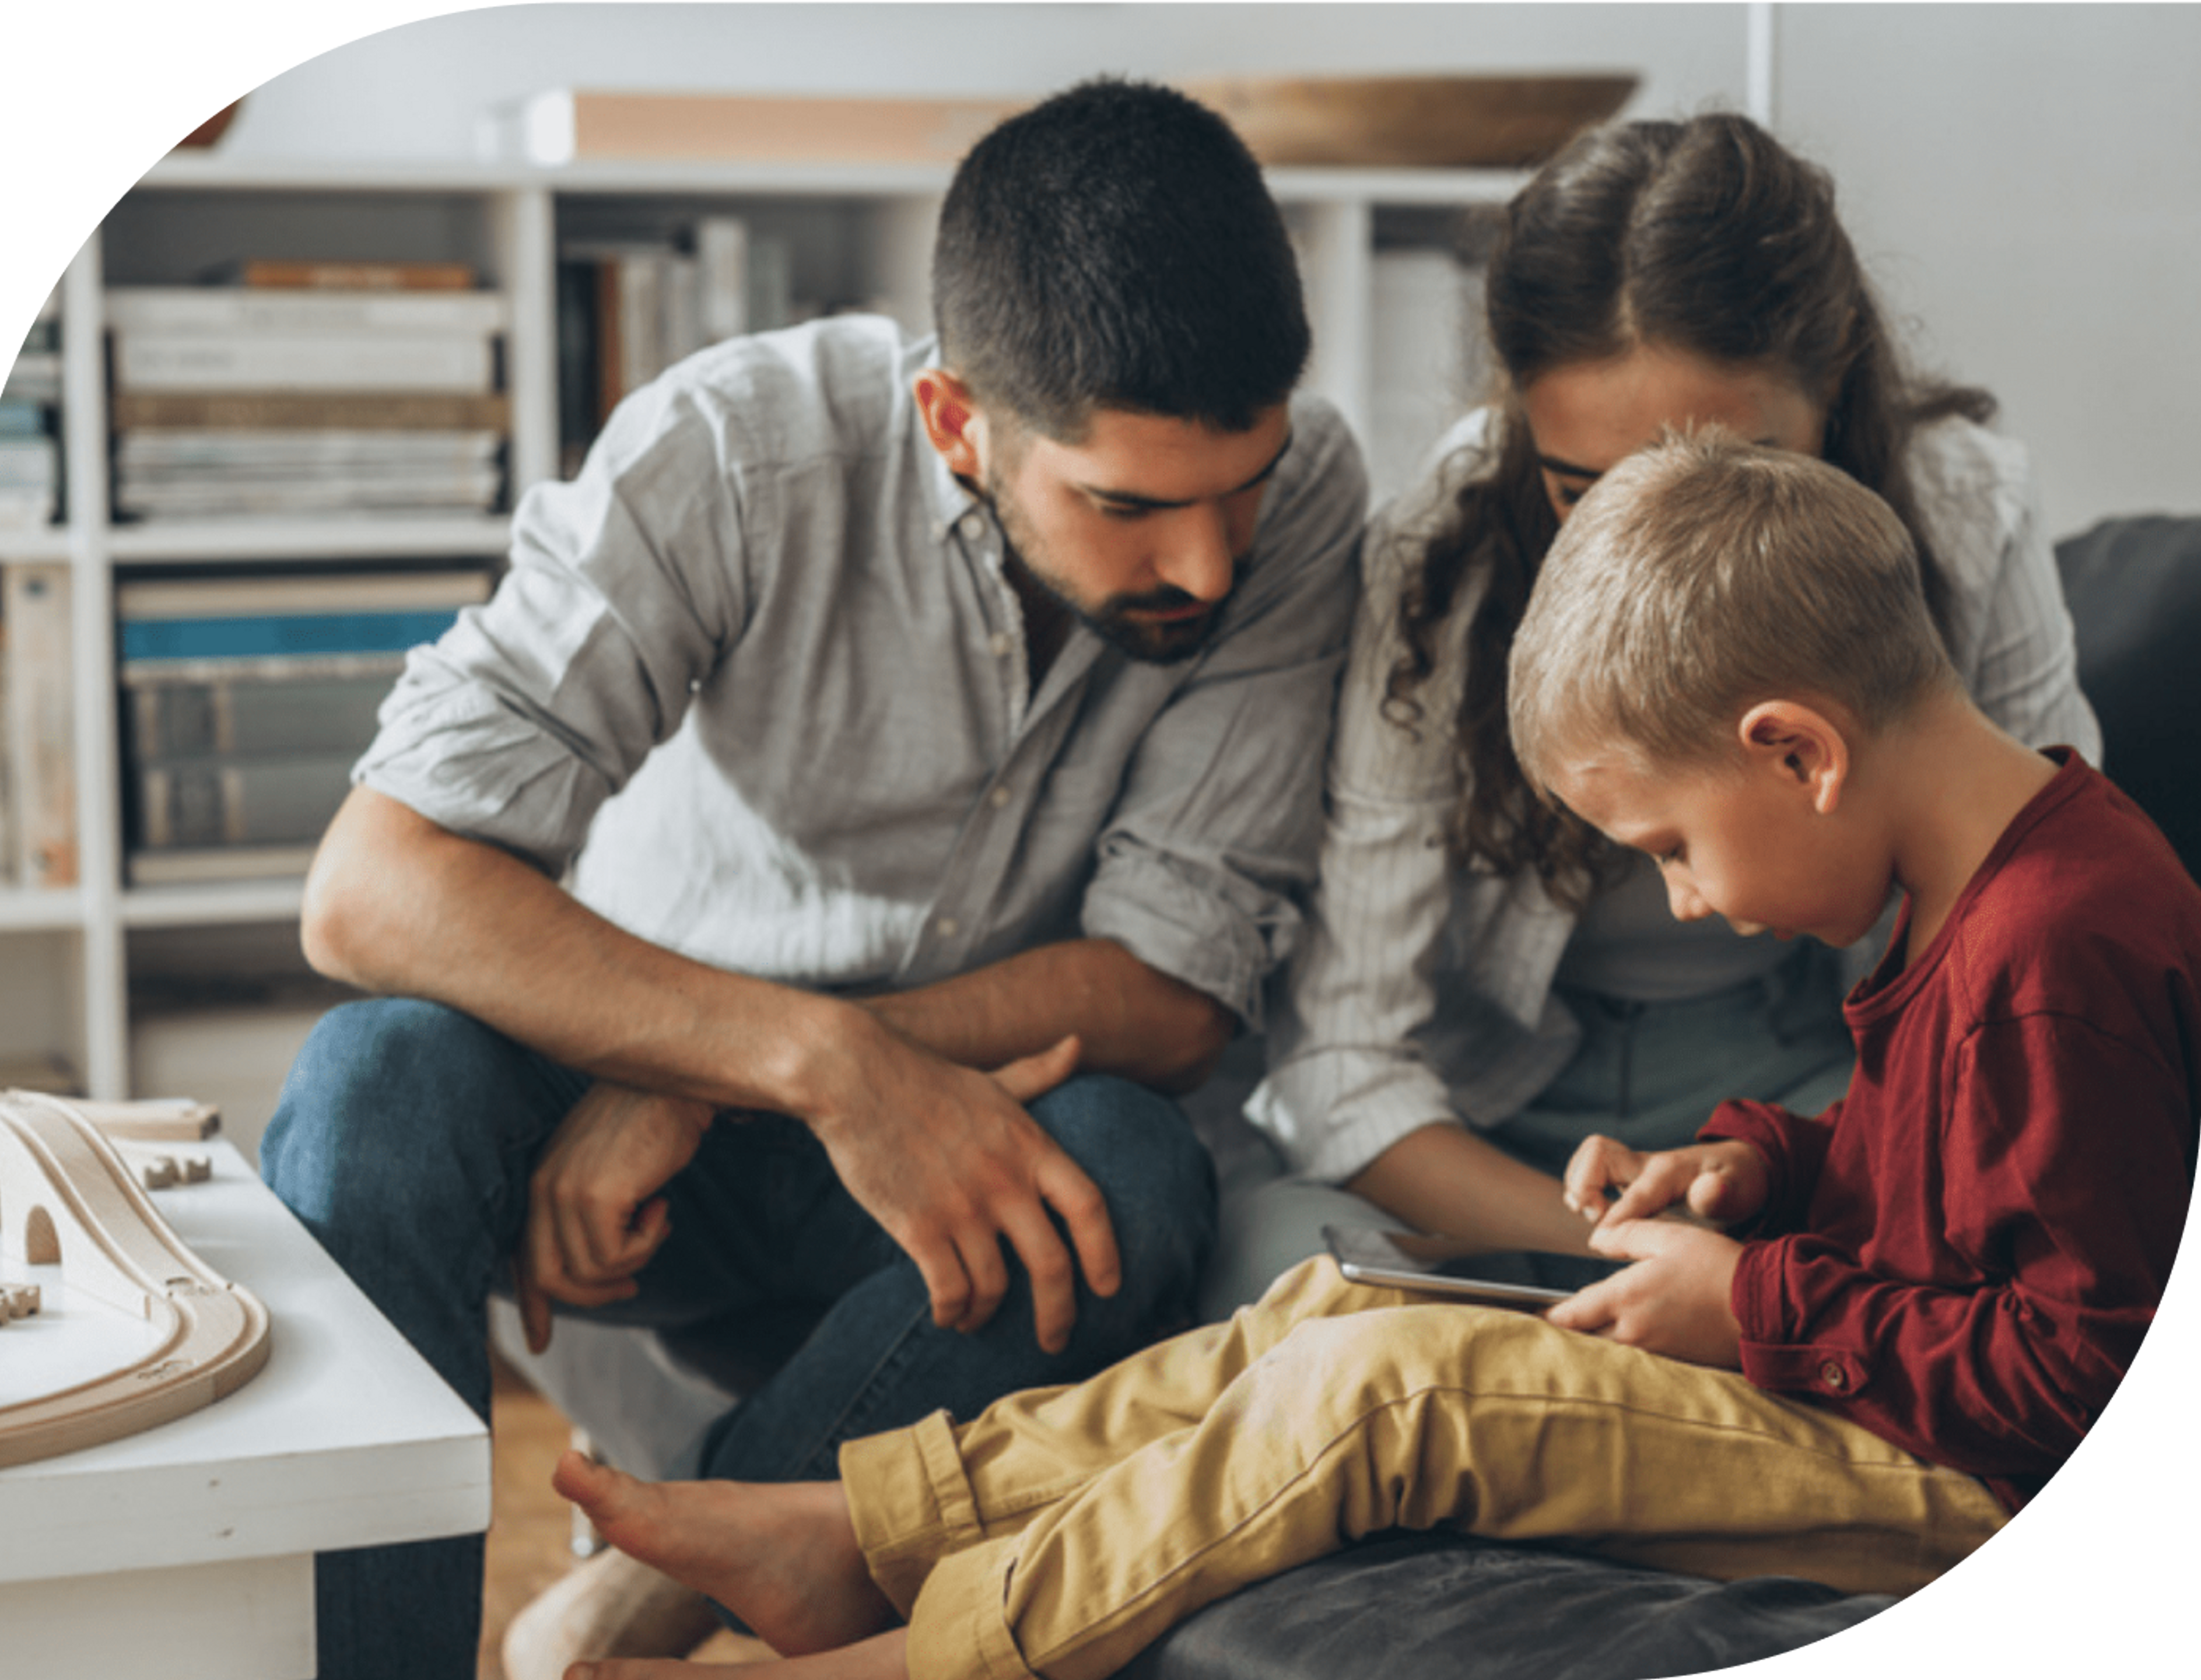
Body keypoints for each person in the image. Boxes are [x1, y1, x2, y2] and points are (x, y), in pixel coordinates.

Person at [542, 430, 2196, 1680]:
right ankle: (872, 1528)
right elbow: (1970, 1197)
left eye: (1672, 846)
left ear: (1796, 753)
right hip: (1888, 1395)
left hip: (1964, 1492)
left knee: (1385, 1396)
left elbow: (2079, 1370)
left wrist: (1751, 1301)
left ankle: (935, 1656)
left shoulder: (2053, 951)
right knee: (1333, 1308)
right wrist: (1764, 1166)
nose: (1686, 898)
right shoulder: (1979, 875)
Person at [257, 78, 1365, 1680]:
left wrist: (801, 1077)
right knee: (374, 1086)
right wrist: (792, 1062)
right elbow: (369, 889)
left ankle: (672, 1573)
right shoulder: (737, 450)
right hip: (615, 1152)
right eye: (1128, 507)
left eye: (1238, 487)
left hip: (955, 1165)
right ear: (957, 423)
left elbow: (1174, 994)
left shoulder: (1307, 498)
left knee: (1133, 1170)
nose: (1207, 563)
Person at [1205, 110, 2102, 1315]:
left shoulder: (1966, 508)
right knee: (1294, 1287)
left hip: (1826, 1105)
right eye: (1582, 487)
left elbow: (2039, 930)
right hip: (1500, 1131)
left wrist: (1776, 1239)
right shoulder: (1449, 545)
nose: (1649, 541)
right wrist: (1635, 1262)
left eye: (1728, 469)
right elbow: (1346, 1062)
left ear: (1830, 392)